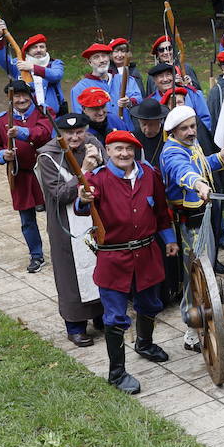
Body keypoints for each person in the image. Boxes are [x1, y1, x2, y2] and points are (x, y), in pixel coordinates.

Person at [75, 130, 179, 395]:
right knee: (115, 316)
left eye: (129, 149)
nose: (124, 154)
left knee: (150, 304)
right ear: (108, 151)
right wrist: (82, 198)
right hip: (113, 258)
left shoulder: (149, 174)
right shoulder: (96, 179)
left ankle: (144, 344)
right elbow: (82, 205)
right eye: (118, 149)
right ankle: (117, 373)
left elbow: (161, 212)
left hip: (147, 255)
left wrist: (168, 238)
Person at [160, 105, 224, 352]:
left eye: (193, 126)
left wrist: (219, 158)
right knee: (194, 275)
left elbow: (199, 164)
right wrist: (199, 185)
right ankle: (191, 329)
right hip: (189, 223)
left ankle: (209, 312)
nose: (192, 132)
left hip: (204, 217)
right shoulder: (172, 152)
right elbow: (185, 171)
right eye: (185, 128)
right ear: (173, 131)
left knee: (207, 270)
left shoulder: (191, 144)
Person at [35, 112, 105, 346]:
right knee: (70, 275)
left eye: (79, 132)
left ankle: (100, 314)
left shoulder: (93, 144)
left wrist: (100, 161)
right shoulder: (48, 156)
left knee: (100, 266)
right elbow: (59, 194)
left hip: (94, 218)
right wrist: (84, 171)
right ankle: (75, 326)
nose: (75, 138)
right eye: (69, 133)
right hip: (65, 222)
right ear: (60, 134)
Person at [0, 79, 54, 272]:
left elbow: (43, 132)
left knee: (56, 216)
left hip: (46, 173)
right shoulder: (0, 121)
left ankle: (63, 252)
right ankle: (36, 255)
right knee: (27, 220)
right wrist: (2, 155)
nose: (22, 99)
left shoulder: (44, 112)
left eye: (25, 94)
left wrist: (22, 132)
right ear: (10, 99)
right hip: (21, 176)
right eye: (16, 96)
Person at [0, 22, 64, 114]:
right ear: (28, 51)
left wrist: (32, 67)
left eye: (42, 47)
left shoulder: (55, 63)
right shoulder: (18, 64)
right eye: (34, 47)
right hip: (28, 115)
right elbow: (1, 58)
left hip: (53, 115)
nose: (39, 50)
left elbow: (56, 75)